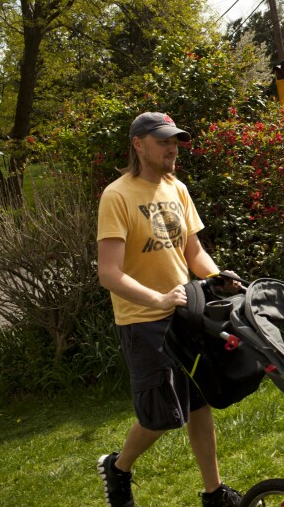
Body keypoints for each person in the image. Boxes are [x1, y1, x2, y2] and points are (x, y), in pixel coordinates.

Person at [96, 112, 244, 507]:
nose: (172, 148)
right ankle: (119, 466)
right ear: (138, 145)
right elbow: (109, 273)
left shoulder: (176, 188)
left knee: (199, 403)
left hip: (185, 314)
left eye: (175, 140)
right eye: (163, 141)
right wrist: (158, 299)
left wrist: (218, 278)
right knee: (161, 416)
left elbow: (193, 252)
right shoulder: (118, 195)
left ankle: (215, 494)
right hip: (144, 320)